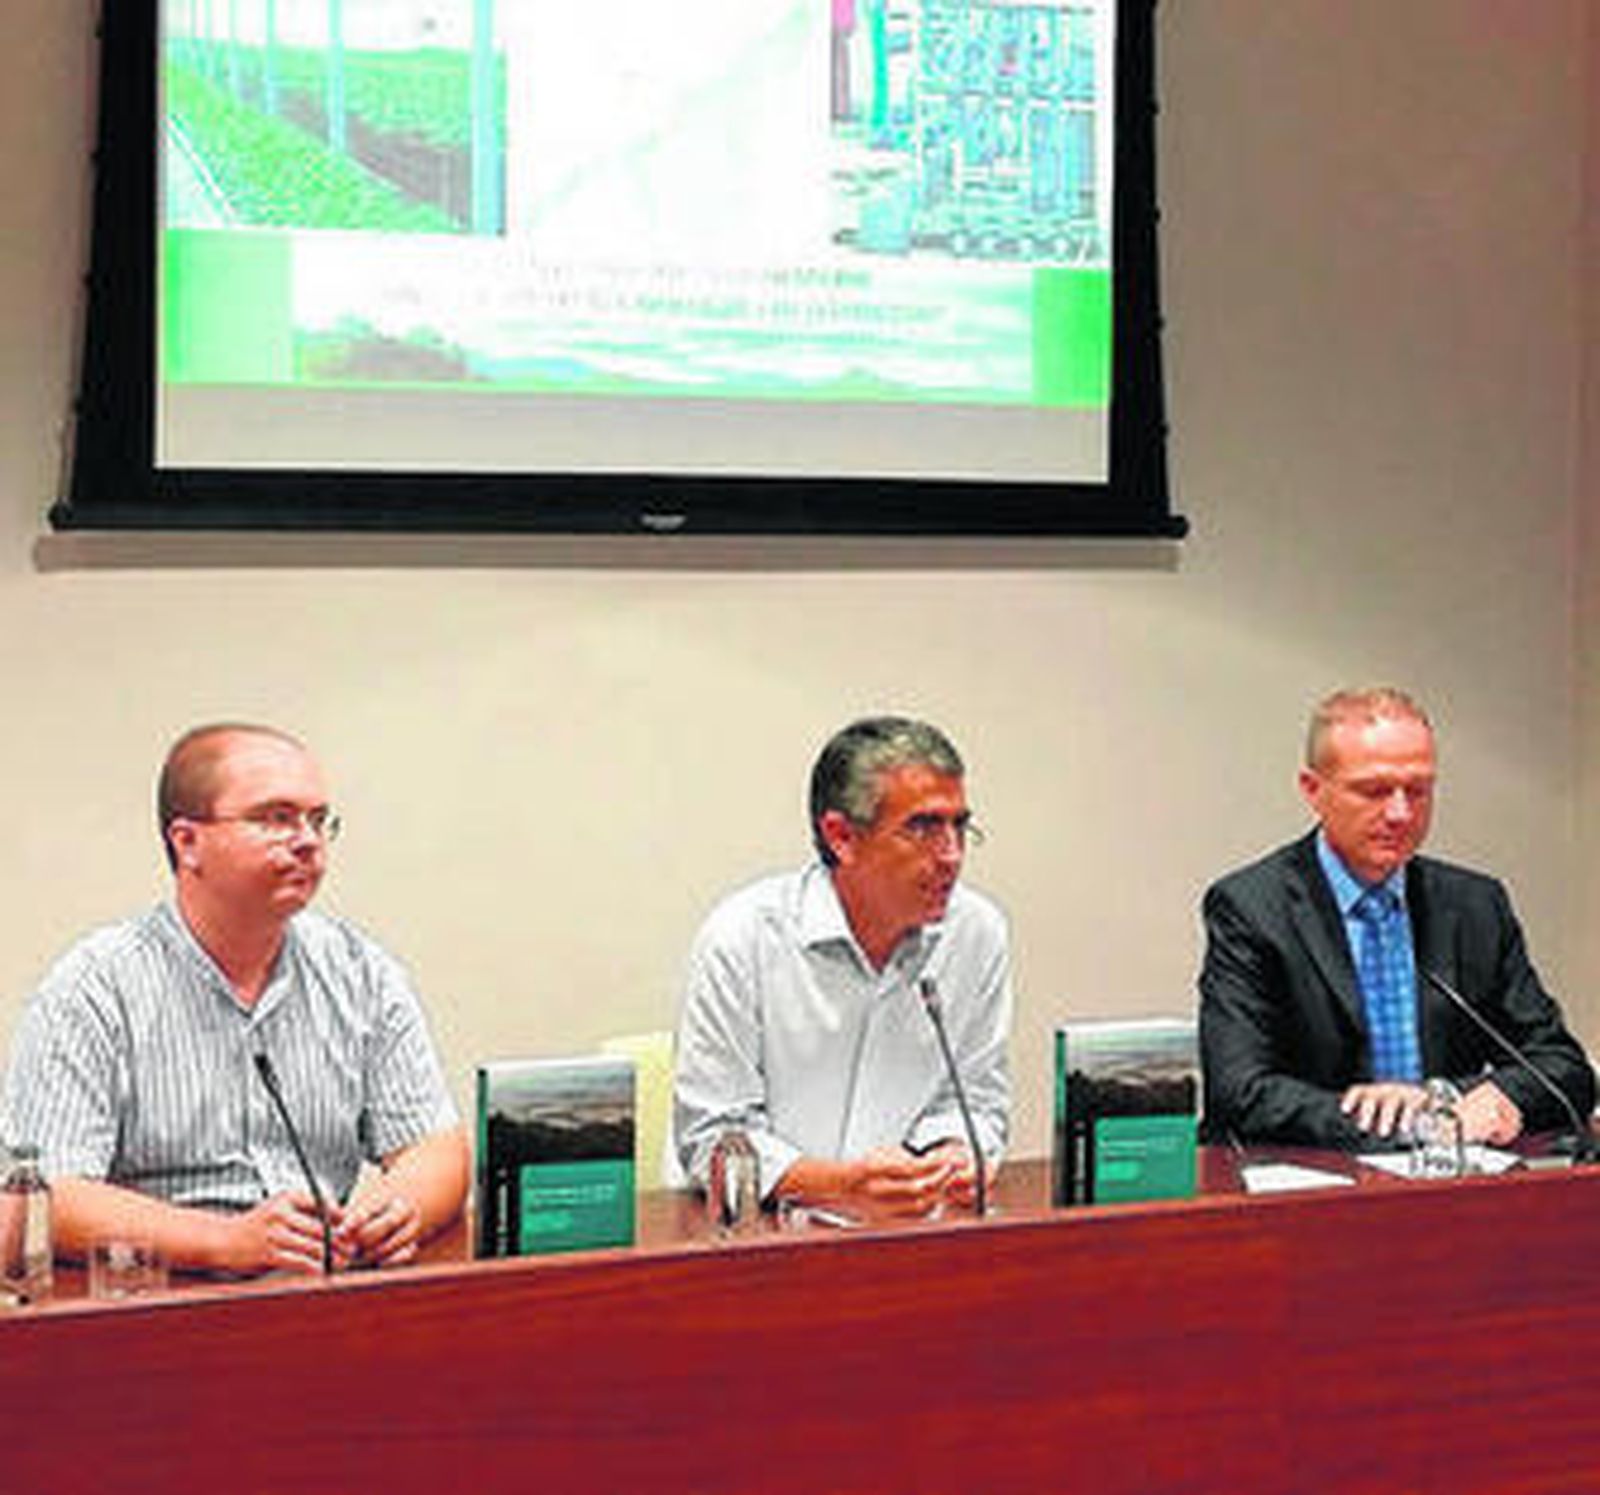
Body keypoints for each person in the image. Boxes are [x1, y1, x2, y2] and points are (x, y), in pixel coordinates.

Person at [4, 723, 469, 1275]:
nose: (307, 840)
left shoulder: (359, 971)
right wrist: (224, 1242)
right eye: (276, 818)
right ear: (187, 842)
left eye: (318, 820)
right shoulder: (95, 986)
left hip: (323, 1294)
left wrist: (391, 1213)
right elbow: (41, 1197)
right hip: (160, 1302)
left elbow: (436, 1149)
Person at [1200, 687, 1595, 1149]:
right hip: (1310, 1184)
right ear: (1313, 790)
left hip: (1451, 1181)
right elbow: (1239, 1091)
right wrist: (1401, 1122)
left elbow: (1563, 1067)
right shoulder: (1251, 907)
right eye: (1374, 791)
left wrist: (1452, 1101)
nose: (1400, 812)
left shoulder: (1474, 906)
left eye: (1419, 790)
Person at [673, 716, 1012, 1221]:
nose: (952, 855)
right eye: (922, 828)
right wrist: (843, 1186)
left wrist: (955, 1153)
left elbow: (977, 1101)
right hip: (759, 1240)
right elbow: (714, 1141)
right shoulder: (743, 937)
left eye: (959, 826)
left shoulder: (976, 933)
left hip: (910, 1234)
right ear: (841, 836)